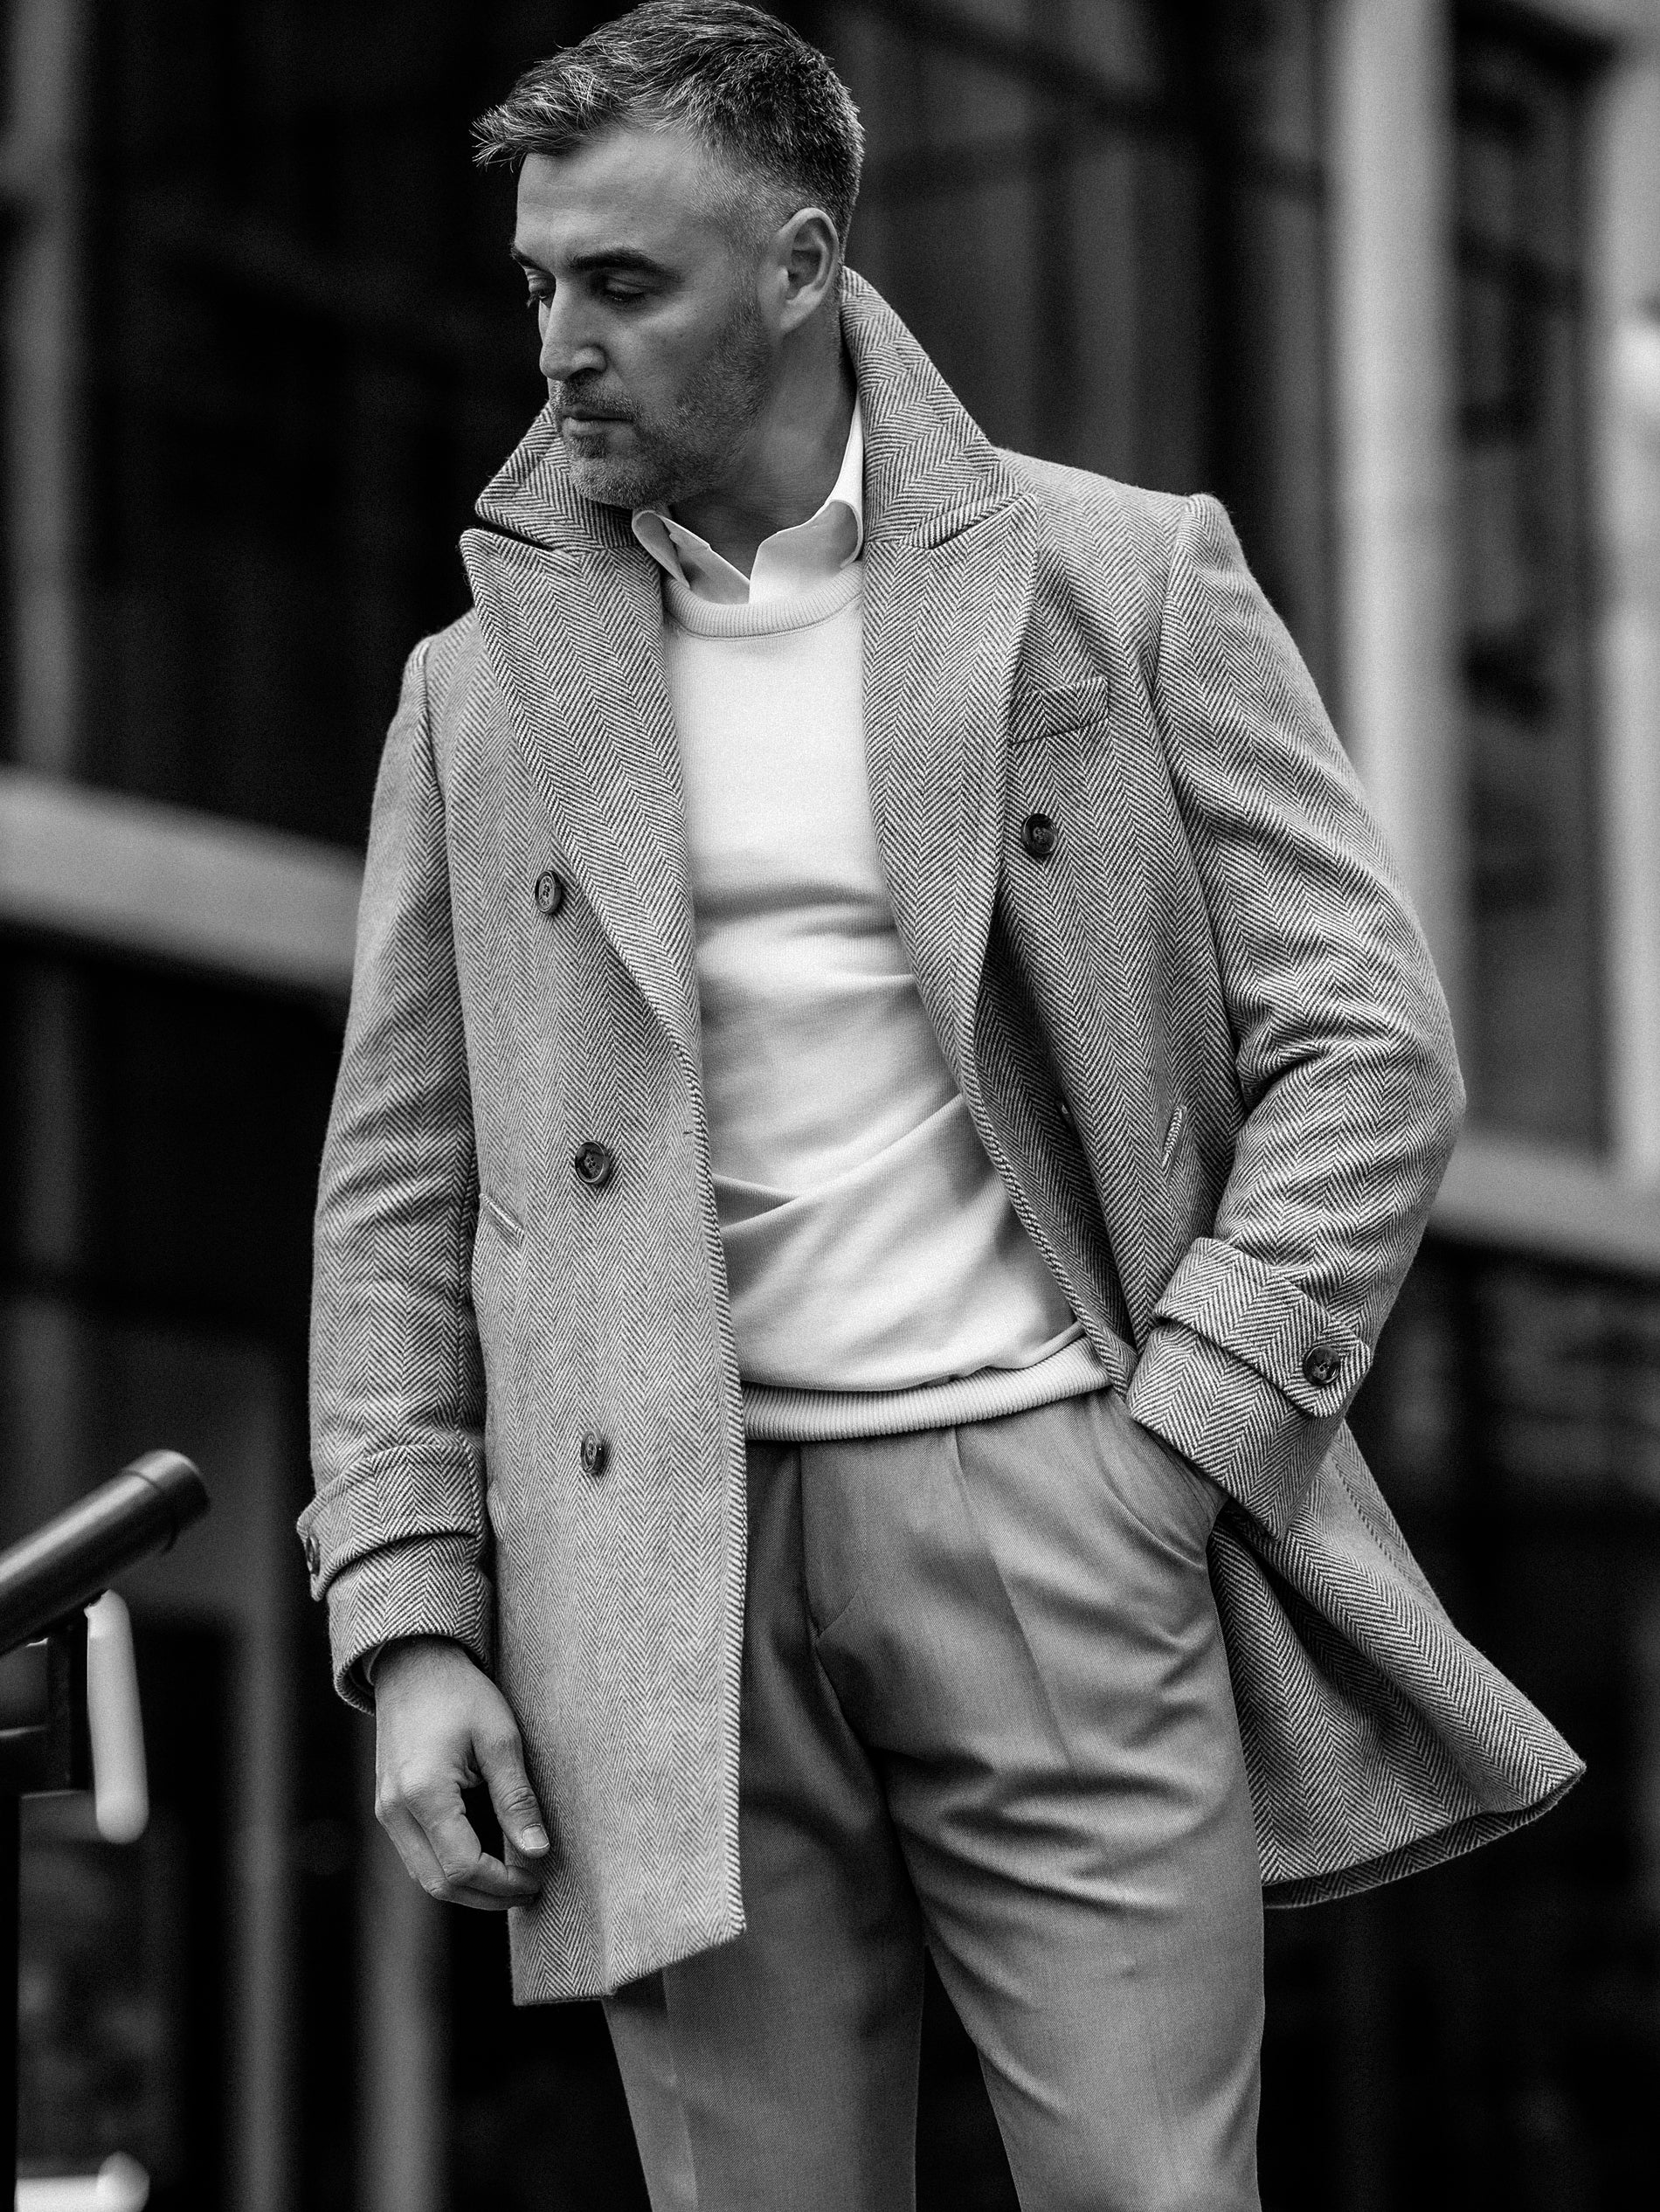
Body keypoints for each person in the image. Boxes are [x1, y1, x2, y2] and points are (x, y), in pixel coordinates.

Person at [301, 5, 1580, 2205]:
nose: (559, 346)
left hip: (1054, 1504)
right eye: (537, 283)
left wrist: (1179, 1444)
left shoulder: (1118, 574)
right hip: (653, 1560)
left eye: (625, 284)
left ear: (801, 267)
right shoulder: (472, 690)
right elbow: (402, 1189)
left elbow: (1367, 1045)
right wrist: (410, 1617)